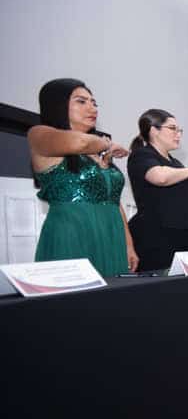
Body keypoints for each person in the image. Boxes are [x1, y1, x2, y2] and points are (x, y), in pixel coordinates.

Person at [28, 78, 136, 276]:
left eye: (94, 103)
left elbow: (113, 201)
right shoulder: (39, 133)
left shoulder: (98, 149)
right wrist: (107, 144)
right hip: (72, 233)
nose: (92, 108)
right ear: (58, 105)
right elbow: (79, 142)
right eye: (81, 101)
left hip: (111, 235)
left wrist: (128, 243)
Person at [128, 108, 188, 271]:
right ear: (153, 130)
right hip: (155, 238)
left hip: (185, 240)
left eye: (180, 130)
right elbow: (159, 177)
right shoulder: (141, 155)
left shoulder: (177, 164)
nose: (178, 134)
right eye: (173, 129)